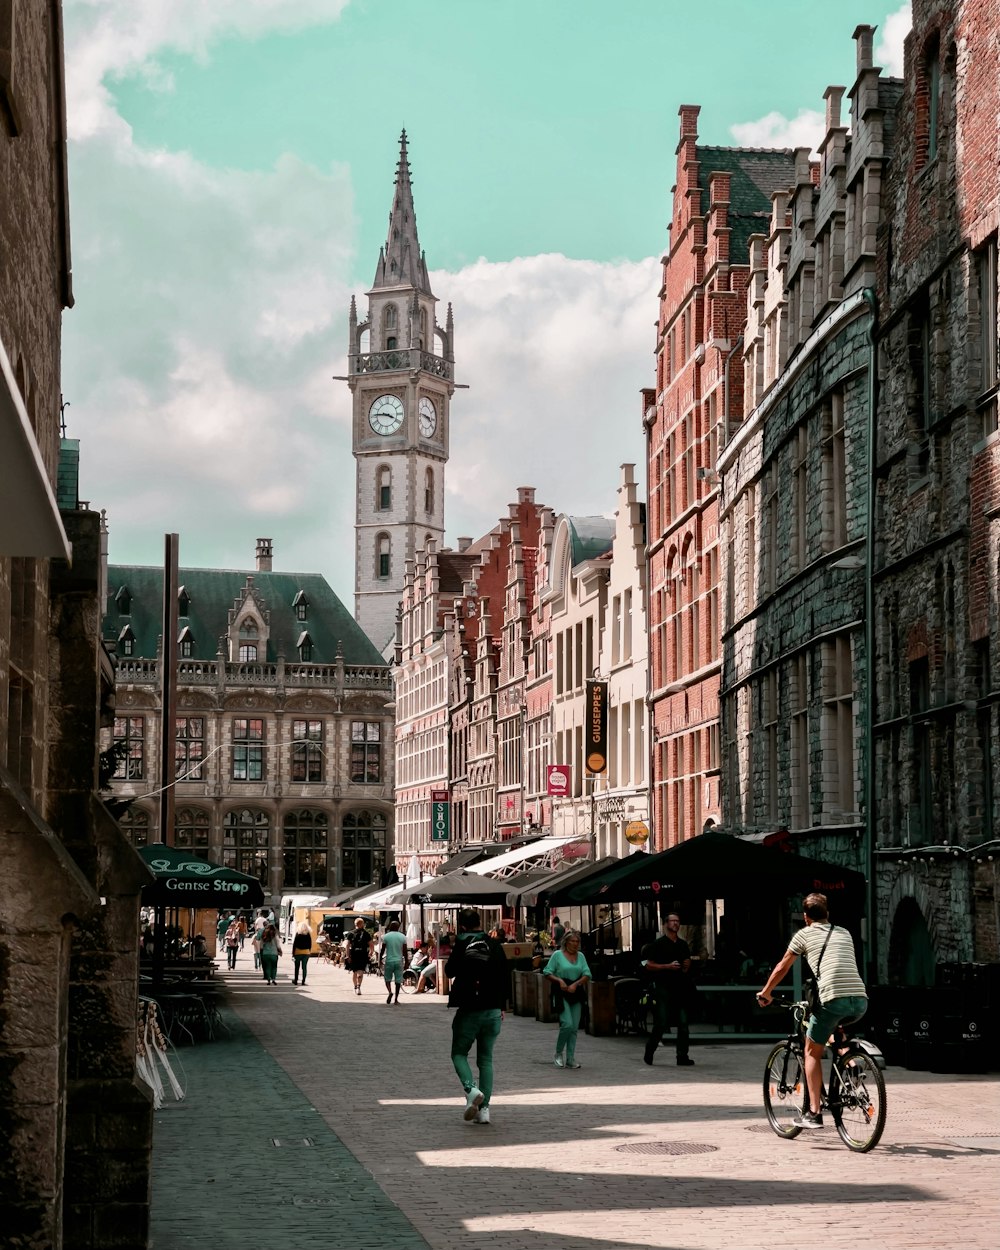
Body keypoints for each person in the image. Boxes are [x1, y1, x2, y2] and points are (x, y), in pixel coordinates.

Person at [757, 892, 868, 1129]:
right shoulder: (844, 932)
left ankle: (814, 1112)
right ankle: (851, 1065)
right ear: (827, 914)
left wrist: (766, 992)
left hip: (832, 998)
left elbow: (782, 967)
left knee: (811, 1052)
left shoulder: (803, 935)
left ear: (806, 917)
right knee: (834, 1029)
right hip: (859, 999)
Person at [445, 908, 509, 1126]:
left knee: (459, 1053)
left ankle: (471, 1089)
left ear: (461, 925)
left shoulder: (463, 943)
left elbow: (449, 971)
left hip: (470, 1009)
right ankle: (484, 1111)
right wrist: (502, 1005)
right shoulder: (495, 945)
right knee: (486, 1059)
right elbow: (504, 975)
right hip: (493, 1010)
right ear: (480, 922)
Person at [642, 913, 695, 1067]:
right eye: (673, 921)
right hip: (663, 988)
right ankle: (650, 1050)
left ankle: (682, 1056)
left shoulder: (683, 944)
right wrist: (666, 966)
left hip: (681, 988)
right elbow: (646, 964)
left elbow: (686, 962)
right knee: (661, 1022)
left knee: (683, 1023)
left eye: (678, 921)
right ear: (666, 924)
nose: (675, 924)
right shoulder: (657, 945)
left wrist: (687, 965)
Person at [544, 929, 592, 1068]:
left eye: (577, 941)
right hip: (561, 992)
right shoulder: (557, 955)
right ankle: (558, 1053)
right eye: (572, 941)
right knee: (567, 1024)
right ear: (566, 942)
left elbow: (587, 974)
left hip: (576, 992)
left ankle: (570, 1058)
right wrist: (559, 981)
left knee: (574, 1028)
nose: (575, 944)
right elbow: (547, 972)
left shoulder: (581, 956)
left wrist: (576, 984)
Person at [381, 919, 407, 1004]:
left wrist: (380, 959)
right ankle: (396, 999)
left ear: (390, 927)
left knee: (387, 979)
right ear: (398, 927)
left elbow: (383, 949)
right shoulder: (403, 937)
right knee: (398, 981)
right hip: (399, 961)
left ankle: (390, 992)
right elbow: (405, 951)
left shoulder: (386, 936)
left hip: (389, 961)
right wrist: (406, 961)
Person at [347, 917, 373, 996]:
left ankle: (357, 987)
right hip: (362, 953)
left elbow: (347, 946)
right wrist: (371, 952)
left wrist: (348, 955)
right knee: (357, 972)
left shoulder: (351, 933)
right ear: (362, 924)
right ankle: (357, 987)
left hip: (354, 954)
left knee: (356, 972)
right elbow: (371, 945)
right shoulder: (365, 933)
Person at [291, 922, 313, 986]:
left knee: (297, 967)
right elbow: (310, 944)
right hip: (306, 953)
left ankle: (296, 980)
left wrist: (293, 953)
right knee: (304, 967)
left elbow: (294, 944)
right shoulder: (308, 934)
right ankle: (303, 981)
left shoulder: (298, 934)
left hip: (298, 952)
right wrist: (309, 951)